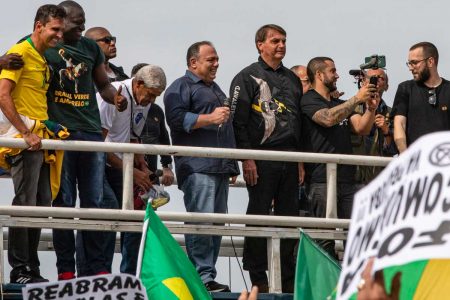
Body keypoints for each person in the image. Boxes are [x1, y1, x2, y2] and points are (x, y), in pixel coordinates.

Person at [46, 0, 127, 280]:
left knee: (95, 204)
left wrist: (114, 98)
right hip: (61, 134)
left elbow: (102, 84)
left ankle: (97, 269)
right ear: (60, 19)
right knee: (64, 203)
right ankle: (66, 270)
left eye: (84, 21)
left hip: (90, 133)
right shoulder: (45, 45)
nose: (82, 26)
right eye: (77, 22)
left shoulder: (91, 48)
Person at [230, 24, 302, 293]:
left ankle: (286, 279)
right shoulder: (246, 77)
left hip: (291, 157)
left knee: (290, 218)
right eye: (275, 41)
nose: (281, 45)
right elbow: (237, 123)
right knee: (258, 214)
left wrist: (302, 161)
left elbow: (299, 125)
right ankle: (258, 277)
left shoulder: (293, 79)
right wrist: (247, 159)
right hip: (260, 157)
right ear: (260, 44)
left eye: (284, 40)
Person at [164, 41, 239, 292]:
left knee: (216, 225)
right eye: (211, 59)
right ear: (194, 62)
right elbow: (175, 120)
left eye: (217, 59)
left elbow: (226, 129)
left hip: (218, 168)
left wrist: (232, 166)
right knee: (202, 223)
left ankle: (207, 275)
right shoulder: (180, 86)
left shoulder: (215, 88)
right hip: (197, 167)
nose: (216, 64)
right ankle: (200, 276)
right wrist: (210, 118)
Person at [0, 4, 66, 284]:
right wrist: (25, 132)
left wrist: (47, 126)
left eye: (62, 30)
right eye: (55, 29)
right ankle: (20, 270)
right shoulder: (21, 53)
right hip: (23, 141)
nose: (59, 36)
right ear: (39, 26)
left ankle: (32, 268)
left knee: (41, 204)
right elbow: (3, 96)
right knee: (25, 203)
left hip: (40, 140)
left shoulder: (42, 57)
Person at [300, 56, 377, 256]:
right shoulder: (308, 100)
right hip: (321, 179)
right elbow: (327, 118)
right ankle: (325, 285)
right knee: (324, 241)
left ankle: (353, 282)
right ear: (318, 74)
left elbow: (361, 128)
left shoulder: (340, 102)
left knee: (358, 237)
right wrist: (356, 99)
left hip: (348, 179)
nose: (337, 75)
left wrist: (370, 108)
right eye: (332, 71)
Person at [97, 64, 167, 275]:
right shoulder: (114, 96)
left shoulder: (143, 100)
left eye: (157, 97)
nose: (152, 101)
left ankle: (129, 276)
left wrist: (143, 167)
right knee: (108, 213)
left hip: (121, 165)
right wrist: (132, 171)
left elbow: (133, 136)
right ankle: (101, 273)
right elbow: (98, 145)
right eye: (150, 95)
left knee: (136, 218)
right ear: (138, 84)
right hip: (101, 164)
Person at [393, 42, 450, 153]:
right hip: (416, 162)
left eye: (414, 63)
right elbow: (399, 123)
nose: (410, 68)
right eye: (409, 63)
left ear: (430, 61)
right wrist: (405, 157)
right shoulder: (405, 88)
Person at [132, 63, 174, 186]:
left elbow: (164, 139)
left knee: (149, 205)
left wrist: (167, 166)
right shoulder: (123, 106)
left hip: (151, 175)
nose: (152, 99)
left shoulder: (156, 110)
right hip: (126, 172)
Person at [353, 68, 398, 185]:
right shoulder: (351, 109)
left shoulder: (391, 113)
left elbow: (394, 150)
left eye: (380, 78)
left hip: (380, 180)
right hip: (354, 178)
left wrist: (386, 131)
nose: (376, 81)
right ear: (363, 82)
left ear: (387, 86)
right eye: (371, 78)